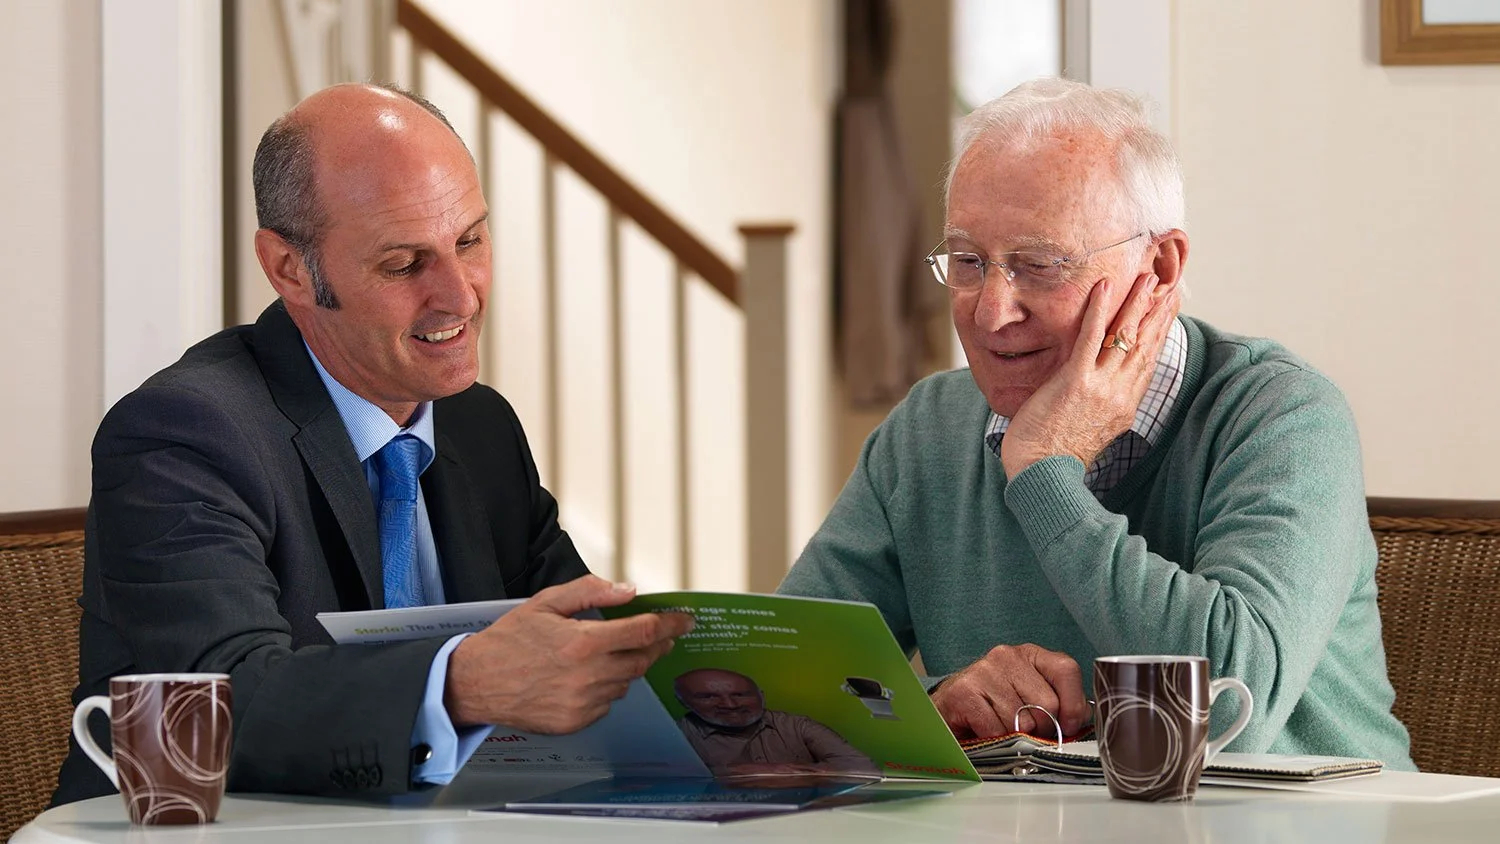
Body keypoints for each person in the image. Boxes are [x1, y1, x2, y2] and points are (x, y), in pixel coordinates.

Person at [53, 83, 693, 804]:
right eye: (403, 264)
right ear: (289, 269)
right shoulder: (182, 433)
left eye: (471, 241)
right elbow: (220, 705)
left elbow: (567, 643)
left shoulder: (479, 426)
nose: (461, 294)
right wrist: (464, 683)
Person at [778, 77, 1414, 768]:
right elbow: (783, 680)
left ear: (1161, 266)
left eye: (1040, 266)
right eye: (967, 262)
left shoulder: (1283, 417)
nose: (991, 312)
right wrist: (936, 703)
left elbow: (1230, 707)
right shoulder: (928, 429)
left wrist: (1044, 470)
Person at [673, 668, 878, 776]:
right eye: (708, 697)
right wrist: (745, 771)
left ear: (762, 696)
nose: (730, 704)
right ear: (685, 702)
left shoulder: (797, 725)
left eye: (741, 694)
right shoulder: (675, 733)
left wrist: (719, 775)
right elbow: (657, 778)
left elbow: (863, 767)